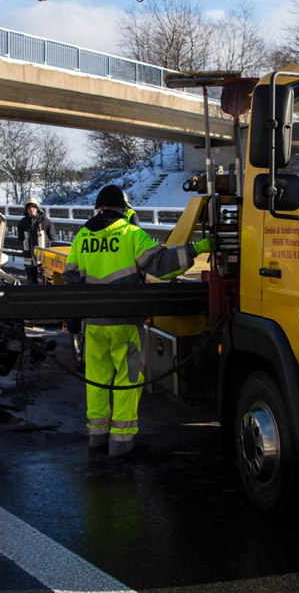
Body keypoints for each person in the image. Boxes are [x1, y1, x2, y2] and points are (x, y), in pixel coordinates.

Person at [63, 185, 212, 457]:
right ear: (125, 208)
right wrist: (197, 248)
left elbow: (71, 279)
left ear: (99, 208)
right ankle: (121, 442)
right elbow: (162, 265)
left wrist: (74, 319)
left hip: (94, 324)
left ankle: (96, 437)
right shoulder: (130, 234)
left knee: (95, 381)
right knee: (127, 381)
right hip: (126, 322)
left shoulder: (82, 236)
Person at [17, 197, 54, 285]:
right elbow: (21, 238)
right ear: (26, 209)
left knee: (47, 280)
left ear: (37, 208)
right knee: (31, 281)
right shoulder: (22, 223)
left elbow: (52, 236)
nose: (31, 209)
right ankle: (32, 296)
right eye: (29, 207)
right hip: (29, 255)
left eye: (33, 207)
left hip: (44, 256)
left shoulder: (45, 221)